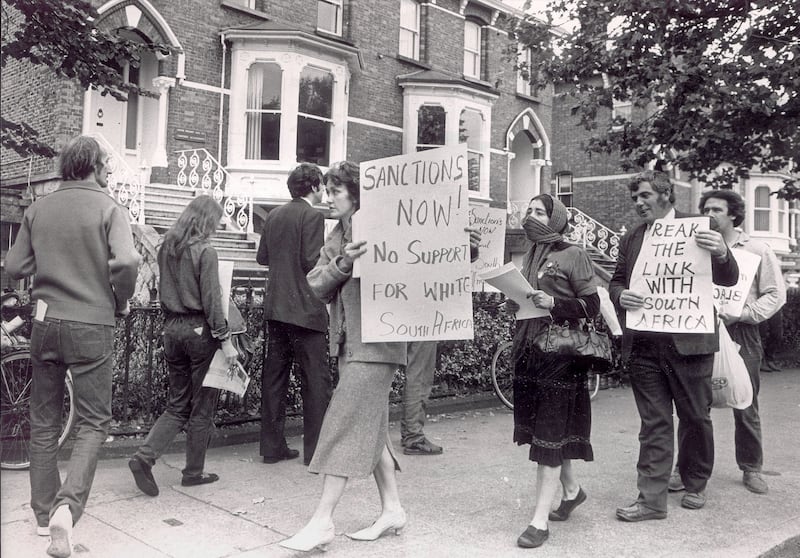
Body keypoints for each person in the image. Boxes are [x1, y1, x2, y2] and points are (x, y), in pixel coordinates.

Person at [279, 161, 481, 552]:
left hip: (378, 347)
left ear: (356, 194)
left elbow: (435, 256)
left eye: (336, 191)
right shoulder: (338, 235)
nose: (328, 197)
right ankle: (392, 510)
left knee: (344, 423)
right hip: (349, 344)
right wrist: (344, 263)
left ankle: (322, 520)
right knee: (372, 429)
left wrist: (462, 246)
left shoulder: (388, 227)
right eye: (328, 190)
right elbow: (316, 284)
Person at [5, 135, 141, 558]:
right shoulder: (107, 207)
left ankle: (45, 516)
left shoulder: (38, 208)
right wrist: (119, 299)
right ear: (96, 166)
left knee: (43, 420)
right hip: (92, 323)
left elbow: (14, 267)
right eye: (106, 166)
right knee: (93, 421)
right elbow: (129, 261)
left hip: (46, 323)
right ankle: (68, 507)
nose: (108, 172)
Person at [609, 170, 739, 522]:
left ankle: (695, 483)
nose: (639, 202)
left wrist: (723, 253)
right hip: (645, 346)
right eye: (635, 197)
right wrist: (622, 295)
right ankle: (651, 499)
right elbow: (617, 280)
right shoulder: (633, 237)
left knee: (695, 416)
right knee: (653, 423)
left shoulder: (697, 227)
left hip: (691, 344)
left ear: (666, 195)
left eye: (646, 195)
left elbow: (728, 278)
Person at [669, 190, 785, 495]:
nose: (710, 213)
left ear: (733, 214)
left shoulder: (757, 249)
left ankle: (751, 467)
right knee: (693, 403)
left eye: (717, 209)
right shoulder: (695, 244)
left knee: (745, 401)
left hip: (741, 332)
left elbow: (775, 293)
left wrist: (745, 314)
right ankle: (686, 469)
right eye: (705, 208)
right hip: (699, 330)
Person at [503, 194, 600, 549]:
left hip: (561, 355)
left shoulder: (573, 254)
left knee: (549, 434)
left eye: (540, 212)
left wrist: (555, 304)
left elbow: (592, 305)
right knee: (547, 432)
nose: (531, 217)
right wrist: (516, 299)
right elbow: (529, 298)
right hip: (532, 352)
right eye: (529, 211)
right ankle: (571, 491)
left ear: (556, 219)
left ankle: (539, 521)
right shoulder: (530, 254)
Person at [128, 195, 238, 497]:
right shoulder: (205, 251)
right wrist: (225, 340)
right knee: (202, 405)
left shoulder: (167, 248)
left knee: (177, 404)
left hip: (172, 329)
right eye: (215, 222)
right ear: (206, 221)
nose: (216, 228)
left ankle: (144, 457)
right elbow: (213, 300)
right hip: (200, 330)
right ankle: (193, 473)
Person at [257, 163, 332, 466]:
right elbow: (310, 261)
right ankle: (316, 452)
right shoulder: (313, 216)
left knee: (274, 379)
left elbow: (262, 257)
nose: (324, 191)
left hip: (277, 309)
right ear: (314, 186)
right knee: (316, 382)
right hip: (306, 310)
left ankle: (272, 448)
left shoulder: (274, 215)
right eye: (322, 186)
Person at [401, 341, 442, 455]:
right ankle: (414, 437)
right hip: (421, 327)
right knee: (421, 375)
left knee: (416, 372)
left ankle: (409, 431)